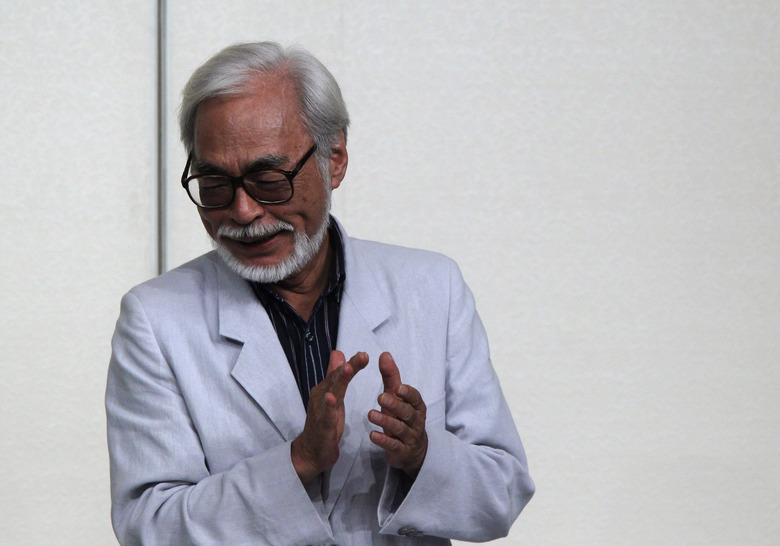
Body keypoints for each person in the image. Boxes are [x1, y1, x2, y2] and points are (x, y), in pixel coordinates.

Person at [106, 41, 534, 545]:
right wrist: (298, 461)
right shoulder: (156, 319)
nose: (242, 212)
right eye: (215, 185)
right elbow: (148, 528)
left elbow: (501, 495)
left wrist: (421, 455)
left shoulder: (431, 288)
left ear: (335, 159)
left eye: (269, 180)